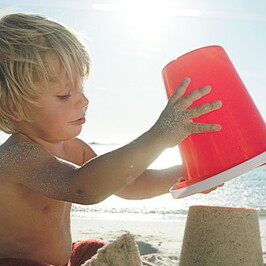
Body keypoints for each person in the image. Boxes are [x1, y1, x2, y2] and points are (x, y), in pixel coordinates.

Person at [0, 13, 223, 266]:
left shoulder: (75, 149)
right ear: (12, 107)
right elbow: (83, 188)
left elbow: (130, 183)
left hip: (63, 260)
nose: (83, 101)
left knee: (95, 248)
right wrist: (158, 137)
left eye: (81, 89)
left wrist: (188, 174)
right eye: (64, 95)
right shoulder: (18, 155)